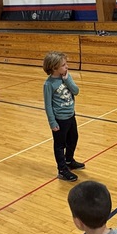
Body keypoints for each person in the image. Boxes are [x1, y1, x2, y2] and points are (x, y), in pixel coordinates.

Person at [43, 51, 85, 182]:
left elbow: (76, 91)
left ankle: (69, 160)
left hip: (71, 116)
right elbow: (48, 105)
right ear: (54, 68)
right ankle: (62, 169)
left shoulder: (66, 77)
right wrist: (52, 122)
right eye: (63, 65)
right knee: (60, 145)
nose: (66, 67)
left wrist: (67, 80)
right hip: (60, 120)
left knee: (73, 138)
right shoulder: (49, 84)